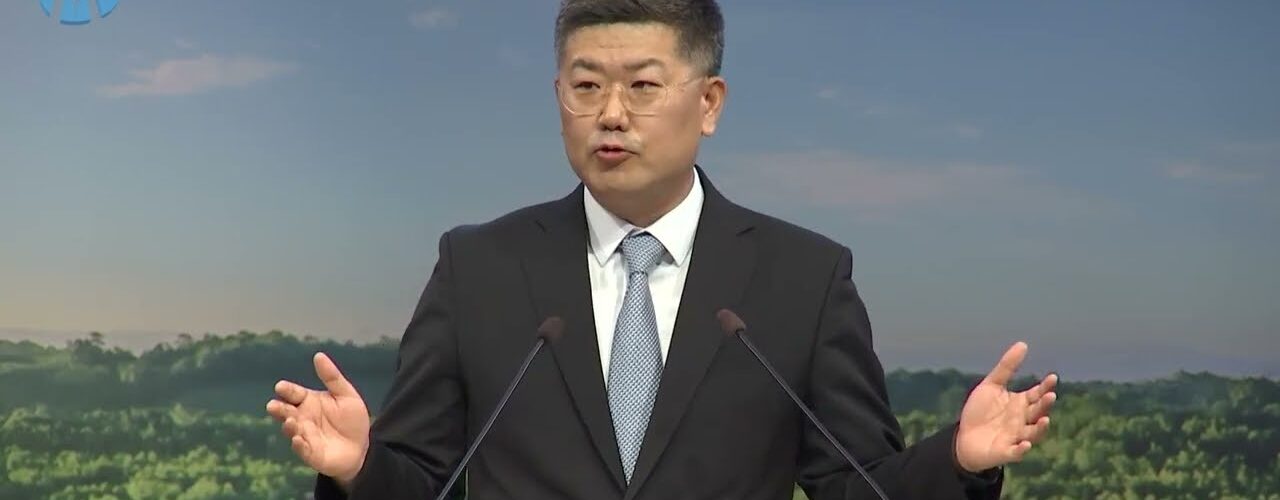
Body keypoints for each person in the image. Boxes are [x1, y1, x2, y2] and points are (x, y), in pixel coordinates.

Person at [265, 1, 1059, 498]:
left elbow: (861, 487)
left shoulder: (803, 278)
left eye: (642, 86)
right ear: (558, 97)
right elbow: (422, 483)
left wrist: (960, 460)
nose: (611, 114)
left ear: (709, 102)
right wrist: (358, 466)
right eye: (586, 86)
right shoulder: (479, 269)